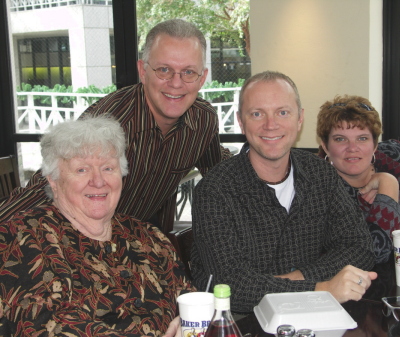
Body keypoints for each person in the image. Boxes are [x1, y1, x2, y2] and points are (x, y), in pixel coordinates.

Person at [0, 19, 231, 234]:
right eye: (164, 70)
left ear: (202, 78)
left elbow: (220, 174)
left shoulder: (203, 120)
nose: (176, 83)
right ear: (143, 70)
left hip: (137, 240)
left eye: (188, 72)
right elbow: (47, 185)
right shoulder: (107, 123)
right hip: (76, 239)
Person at [190, 71, 376, 314]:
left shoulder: (319, 173)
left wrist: (297, 279)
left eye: (282, 112)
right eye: (257, 114)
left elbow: (359, 247)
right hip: (245, 321)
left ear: (300, 119)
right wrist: (321, 289)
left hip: (317, 318)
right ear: (240, 122)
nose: (271, 125)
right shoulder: (215, 191)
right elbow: (231, 286)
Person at [0, 116, 192, 336]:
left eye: (108, 168)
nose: (98, 181)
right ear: (53, 180)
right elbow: (42, 326)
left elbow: (190, 299)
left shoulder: (149, 237)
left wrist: (188, 322)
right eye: (82, 170)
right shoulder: (21, 238)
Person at [316, 95, 400, 264]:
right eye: (340, 139)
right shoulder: (317, 187)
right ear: (325, 146)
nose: (352, 148)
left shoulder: (396, 159)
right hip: (364, 285)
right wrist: (388, 185)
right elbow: (375, 254)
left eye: (362, 138)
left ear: (375, 144)